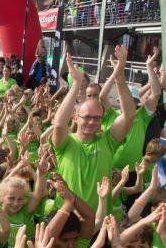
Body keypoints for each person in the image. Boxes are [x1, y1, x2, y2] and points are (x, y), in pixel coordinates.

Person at [51, 48, 135, 212]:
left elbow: (129, 115)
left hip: (98, 218)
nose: (92, 122)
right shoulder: (65, 143)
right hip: (67, 217)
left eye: (97, 118)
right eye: (87, 117)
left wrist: (119, 74)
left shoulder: (108, 141)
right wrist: (76, 84)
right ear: (76, 117)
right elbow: (59, 124)